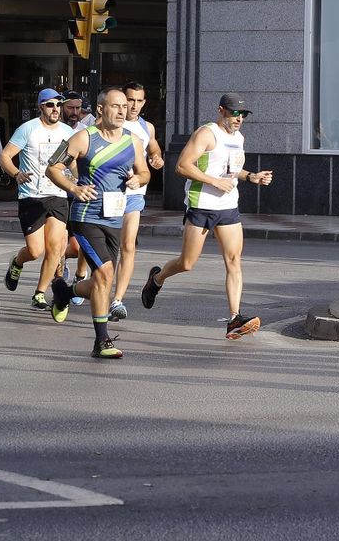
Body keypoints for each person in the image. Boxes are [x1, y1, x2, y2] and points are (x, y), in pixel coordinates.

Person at [141, 93, 272, 340]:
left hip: (229, 207)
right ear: (221, 110)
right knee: (187, 263)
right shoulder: (206, 134)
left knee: (234, 261)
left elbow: (231, 169)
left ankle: (234, 319)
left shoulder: (239, 138)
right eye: (234, 113)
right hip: (201, 205)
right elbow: (182, 166)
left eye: (243, 115)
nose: (239, 119)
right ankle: (156, 279)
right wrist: (214, 181)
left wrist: (251, 176)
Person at [45, 88, 150, 358]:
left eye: (125, 107)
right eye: (116, 106)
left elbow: (145, 171)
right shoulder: (83, 138)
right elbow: (52, 167)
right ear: (101, 109)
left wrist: (139, 179)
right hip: (85, 216)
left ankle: (65, 292)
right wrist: (74, 188)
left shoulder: (133, 141)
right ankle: (101, 341)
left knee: (103, 281)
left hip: (114, 217)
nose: (122, 111)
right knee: (103, 275)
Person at [1, 89, 74, 311]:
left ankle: (40, 293)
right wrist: (16, 173)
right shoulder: (28, 129)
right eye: (50, 105)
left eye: (59, 105)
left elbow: (73, 162)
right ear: (41, 106)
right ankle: (17, 261)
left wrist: (79, 181)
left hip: (58, 194)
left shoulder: (68, 131)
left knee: (55, 249)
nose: (56, 109)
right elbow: (4, 156)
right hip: (31, 196)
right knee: (35, 250)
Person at [110, 82, 165, 321]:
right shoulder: (110, 123)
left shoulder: (146, 127)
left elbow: (153, 148)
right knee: (105, 248)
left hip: (134, 193)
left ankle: (117, 300)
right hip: (109, 193)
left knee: (128, 246)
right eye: (130, 100)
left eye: (138, 101)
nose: (133, 106)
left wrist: (156, 158)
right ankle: (82, 276)